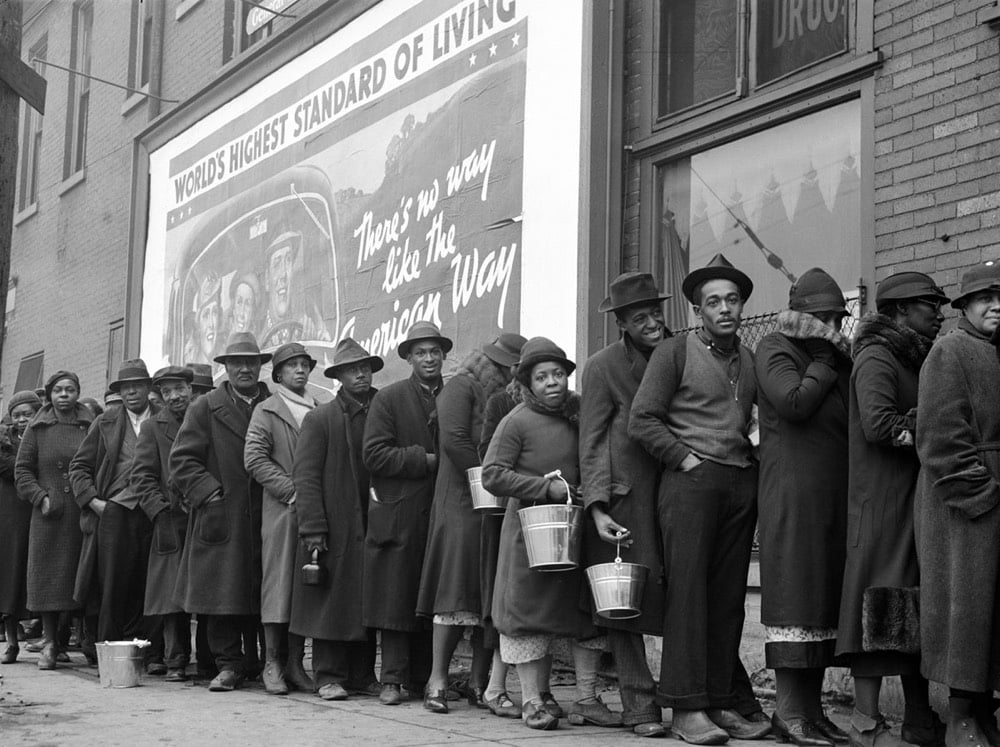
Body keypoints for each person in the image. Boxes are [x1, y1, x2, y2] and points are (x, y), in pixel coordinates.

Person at [630, 254, 760, 745]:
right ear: (698, 311)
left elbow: (746, 420)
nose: (724, 308)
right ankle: (686, 709)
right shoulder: (675, 352)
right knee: (688, 596)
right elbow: (642, 419)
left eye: (731, 299)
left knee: (728, 602)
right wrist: (685, 460)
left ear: (742, 305)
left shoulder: (747, 358)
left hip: (738, 483)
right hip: (690, 486)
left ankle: (721, 703)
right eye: (713, 302)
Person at [835, 272, 949, 747]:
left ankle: (920, 720)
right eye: (929, 305)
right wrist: (939, 423)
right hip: (880, 502)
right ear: (900, 311)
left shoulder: (917, 354)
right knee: (876, 609)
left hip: (913, 498)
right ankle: (865, 722)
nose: (939, 313)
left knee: (912, 608)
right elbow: (881, 425)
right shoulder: (877, 354)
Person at [483, 336, 617, 732]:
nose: (552, 382)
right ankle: (530, 701)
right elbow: (492, 475)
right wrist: (546, 488)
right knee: (527, 616)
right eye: (542, 377)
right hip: (528, 536)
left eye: (558, 374)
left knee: (571, 614)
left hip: (570, 534)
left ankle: (575, 697)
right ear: (527, 383)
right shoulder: (516, 421)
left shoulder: (578, 418)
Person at [755, 269, 853, 747]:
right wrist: (822, 362)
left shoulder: (836, 357)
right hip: (793, 495)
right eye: (826, 316)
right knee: (796, 596)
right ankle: (788, 712)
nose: (834, 323)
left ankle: (812, 714)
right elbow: (792, 403)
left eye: (839, 316)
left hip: (833, 496)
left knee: (821, 604)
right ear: (806, 318)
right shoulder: (776, 347)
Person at [579, 272, 673, 738]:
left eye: (656, 312)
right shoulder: (602, 367)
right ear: (621, 323)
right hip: (626, 499)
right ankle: (639, 705)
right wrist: (596, 507)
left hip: (679, 492)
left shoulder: (684, 354)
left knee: (684, 594)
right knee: (624, 602)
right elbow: (592, 440)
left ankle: (688, 695)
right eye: (640, 317)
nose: (652, 322)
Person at [915, 263, 1000, 747]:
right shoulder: (950, 351)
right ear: (964, 306)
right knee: (964, 608)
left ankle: (983, 712)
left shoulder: (992, 350)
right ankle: (960, 717)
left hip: (990, 499)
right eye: (985, 297)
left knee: (989, 611)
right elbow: (940, 439)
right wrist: (980, 495)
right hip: (963, 507)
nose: (996, 306)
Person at [417, 333, 525, 714]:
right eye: (509, 366)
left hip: (493, 503)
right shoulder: (461, 386)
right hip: (462, 501)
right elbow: (455, 439)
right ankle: (437, 680)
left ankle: (480, 684)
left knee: (486, 596)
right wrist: (488, 477)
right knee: (454, 591)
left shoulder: (509, 398)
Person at [170, 332, 271, 692]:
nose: (245, 368)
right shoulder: (206, 406)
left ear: (261, 366)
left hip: (264, 513)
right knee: (223, 591)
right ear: (225, 368)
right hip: (221, 514)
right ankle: (228, 664)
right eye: (237, 363)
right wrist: (211, 494)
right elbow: (181, 461)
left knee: (261, 590)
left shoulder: (272, 405)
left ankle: (261, 662)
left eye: (252, 362)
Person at [362, 321, 449, 705]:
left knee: (432, 596)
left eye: (434, 352)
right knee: (396, 597)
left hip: (443, 512)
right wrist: (426, 460)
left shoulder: (455, 396)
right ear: (409, 358)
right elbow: (374, 454)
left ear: (443, 355)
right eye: (420, 353)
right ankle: (392, 680)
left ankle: (424, 678)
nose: (428, 358)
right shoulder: (390, 399)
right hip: (401, 511)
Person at [291, 338, 383, 701]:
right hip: (335, 520)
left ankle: (363, 674)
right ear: (339, 377)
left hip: (375, 517)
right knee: (330, 603)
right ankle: (328, 675)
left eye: (364, 368)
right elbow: (306, 477)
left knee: (367, 600)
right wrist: (313, 526)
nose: (360, 375)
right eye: (351, 370)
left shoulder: (382, 409)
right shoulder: (321, 418)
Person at [244, 342, 318, 695]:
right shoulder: (267, 410)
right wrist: (292, 491)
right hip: (283, 510)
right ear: (278, 375)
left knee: (306, 586)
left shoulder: (318, 409)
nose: (300, 370)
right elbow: (255, 459)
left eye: (304, 365)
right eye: (292, 366)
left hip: (315, 512)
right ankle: (272, 662)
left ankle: (295, 663)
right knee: (278, 586)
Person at [69, 359, 158, 648]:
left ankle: (146, 651)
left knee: (148, 582)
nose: (131, 392)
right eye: (125, 387)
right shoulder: (105, 422)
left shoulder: (164, 419)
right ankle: (106, 648)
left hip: (154, 510)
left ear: (148, 388)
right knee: (111, 583)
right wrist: (94, 502)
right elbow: (78, 467)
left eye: (137, 386)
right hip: (115, 513)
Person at [15, 371, 94, 670]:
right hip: (50, 515)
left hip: (81, 510)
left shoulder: (90, 424)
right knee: (48, 577)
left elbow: (99, 462)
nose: (65, 395)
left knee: (81, 575)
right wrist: (41, 497)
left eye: (71, 390)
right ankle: (49, 642)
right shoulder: (38, 427)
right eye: (59, 390)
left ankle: (80, 641)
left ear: (77, 393)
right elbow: (22, 471)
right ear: (49, 395)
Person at [132, 366, 196, 682]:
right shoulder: (153, 428)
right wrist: (159, 511)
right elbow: (141, 476)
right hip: (170, 519)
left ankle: (212, 659)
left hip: (203, 515)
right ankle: (176, 660)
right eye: (167, 391)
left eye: (179, 389)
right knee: (171, 595)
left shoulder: (204, 419)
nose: (174, 396)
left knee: (205, 587)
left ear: (191, 388)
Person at [477, 346, 527, 720]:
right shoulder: (500, 404)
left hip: (549, 514)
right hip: (507, 513)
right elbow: (488, 458)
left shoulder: (564, 407)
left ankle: (532, 691)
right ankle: (494, 686)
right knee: (508, 600)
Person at [0, 391, 43, 664]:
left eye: (27, 414)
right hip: (10, 515)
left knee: (39, 573)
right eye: (17, 415)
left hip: (38, 512)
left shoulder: (43, 436)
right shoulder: (4, 443)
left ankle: (51, 639)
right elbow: (12, 469)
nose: (22, 419)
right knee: (10, 575)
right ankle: (12, 640)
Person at [259, 231, 330, 346]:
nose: (283, 275)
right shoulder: (258, 341)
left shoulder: (309, 313)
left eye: (288, 260)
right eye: (277, 264)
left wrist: (312, 344)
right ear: (267, 280)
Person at [184, 272, 224, 365]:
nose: (211, 324)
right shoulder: (189, 363)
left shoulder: (224, 365)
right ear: (198, 324)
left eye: (215, 313)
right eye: (206, 315)